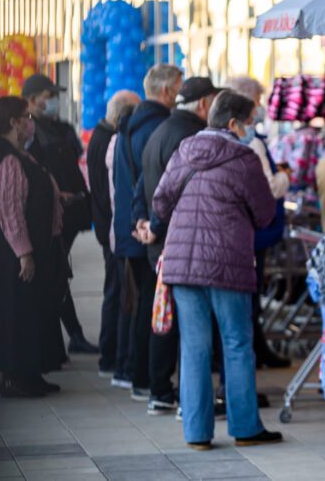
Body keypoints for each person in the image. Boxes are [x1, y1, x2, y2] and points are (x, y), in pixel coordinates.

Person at [150, 91, 281, 450]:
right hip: (227, 262)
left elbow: (160, 201)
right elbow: (265, 213)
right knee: (237, 344)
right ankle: (245, 428)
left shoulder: (185, 150)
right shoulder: (244, 158)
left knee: (193, 348)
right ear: (234, 123)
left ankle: (196, 434)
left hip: (181, 263)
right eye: (251, 120)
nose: (253, 128)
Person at [133, 77, 221, 415]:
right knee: (186, 323)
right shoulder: (190, 137)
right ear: (203, 103)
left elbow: (145, 186)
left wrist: (140, 223)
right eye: (213, 100)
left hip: (162, 240)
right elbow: (176, 189)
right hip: (179, 241)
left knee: (163, 317)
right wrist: (153, 226)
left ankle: (160, 390)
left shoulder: (161, 130)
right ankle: (185, 397)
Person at [113, 63, 183, 401]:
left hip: (134, 227)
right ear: (168, 91)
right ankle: (144, 377)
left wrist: (137, 221)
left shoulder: (132, 124)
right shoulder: (160, 127)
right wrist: (151, 226)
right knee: (150, 309)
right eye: (179, 88)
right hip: (148, 232)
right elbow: (156, 183)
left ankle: (132, 372)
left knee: (140, 304)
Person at [0, 96, 68, 397]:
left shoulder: (20, 155)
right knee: (19, 314)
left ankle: (31, 373)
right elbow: (8, 209)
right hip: (16, 254)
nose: (32, 122)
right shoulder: (7, 158)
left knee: (33, 312)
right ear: (13, 122)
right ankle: (17, 377)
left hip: (33, 248)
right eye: (27, 116)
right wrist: (24, 253)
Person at [22, 73, 97, 354]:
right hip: (48, 214)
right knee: (55, 275)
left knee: (58, 273)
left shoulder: (61, 128)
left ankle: (66, 337)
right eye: (48, 96)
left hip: (72, 212)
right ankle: (66, 336)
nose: (54, 101)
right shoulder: (29, 133)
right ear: (31, 100)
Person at [224, 76, 291, 369]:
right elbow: (265, 189)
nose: (261, 109)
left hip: (241, 232)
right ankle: (252, 355)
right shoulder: (251, 145)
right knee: (247, 300)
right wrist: (284, 178)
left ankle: (255, 350)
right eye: (257, 103)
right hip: (253, 233)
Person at [87, 90, 141, 379]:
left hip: (110, 228)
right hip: (113, 229)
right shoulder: (108, 139)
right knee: (119, 294)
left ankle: (110, 355)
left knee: (118, 292)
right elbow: (108, 192)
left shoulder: (104, 136)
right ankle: (110, 356)